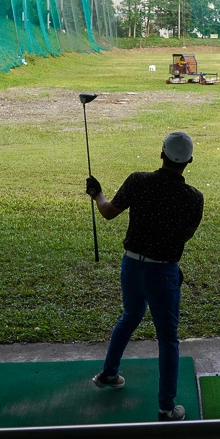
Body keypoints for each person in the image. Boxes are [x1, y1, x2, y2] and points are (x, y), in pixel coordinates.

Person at [85, 131, 204, 422]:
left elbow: (109, 212)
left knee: (130, 316)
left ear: (161, 153)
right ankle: (166, 408)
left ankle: (108, 374)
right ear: (189, 161)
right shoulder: (193, 198)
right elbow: (184, 236)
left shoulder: (138, 180)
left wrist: (96, 193)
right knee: (168, 338)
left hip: (132, 266)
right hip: (162, 272)